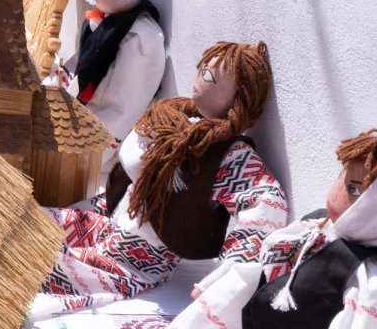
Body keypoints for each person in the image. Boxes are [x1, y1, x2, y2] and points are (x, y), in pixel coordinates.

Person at [30, 40, 288, 320]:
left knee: (44, 266)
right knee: (34, 222)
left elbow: (265, 197)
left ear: (240, 98)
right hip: (109, 224)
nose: (200, 77)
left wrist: (237, 265)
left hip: (137, 260)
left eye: (211, 76)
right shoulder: (173, 117)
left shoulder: (228, 155)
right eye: (202, 68)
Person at [171, 128, 377, 329]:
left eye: (353, 190)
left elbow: (369, 321)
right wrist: (215, 283)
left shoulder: (376, 275)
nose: (337, 190)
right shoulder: (318, 225)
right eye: (342, 177)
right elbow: (259, 266)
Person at [56, 0, 166, 176]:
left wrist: (82, 148)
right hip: (80, 117)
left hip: (100, 143)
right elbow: (78, 69)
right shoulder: (106, 21)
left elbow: (123, 107)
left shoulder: (141, 39)